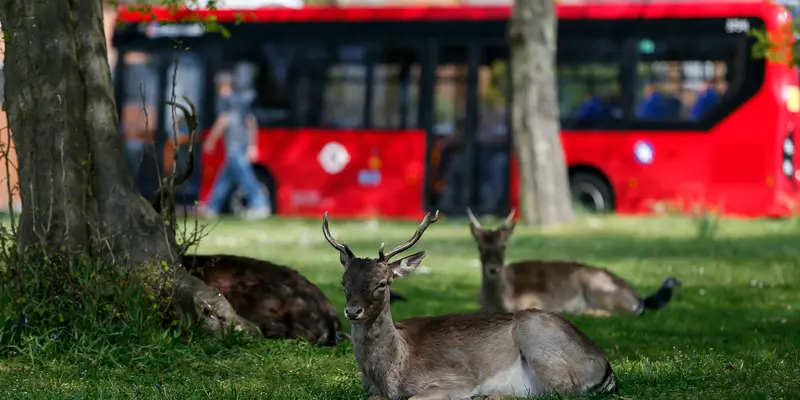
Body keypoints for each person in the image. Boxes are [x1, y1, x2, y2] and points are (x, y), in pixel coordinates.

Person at [199, 71, 271, 220]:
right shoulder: (241, 101)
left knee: (246, 177)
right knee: (225, 178)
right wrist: (252, 145)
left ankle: (260, 204)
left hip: (234, 145)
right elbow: (251, 122)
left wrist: (211, 140)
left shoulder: (225, 100)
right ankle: (212, 207)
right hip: (241, 144)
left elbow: (222, 121)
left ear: (224, 85)